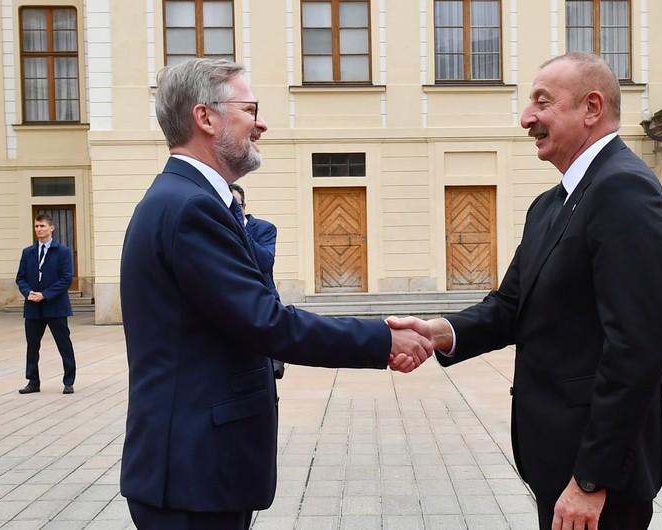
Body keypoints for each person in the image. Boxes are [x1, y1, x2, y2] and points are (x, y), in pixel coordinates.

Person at [119, 58, 431, 529]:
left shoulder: (188, 199)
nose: (261, 123)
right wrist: (384, 339)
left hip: (196, 470)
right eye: (251, 109)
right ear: (205, 118)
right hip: (191, 475)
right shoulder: (190, 208)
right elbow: (266, 322)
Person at [389, 52, 662, 529]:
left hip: (598, 476)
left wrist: (591, 480)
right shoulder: (550, 204)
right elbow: (510, 306)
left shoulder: (625, 190)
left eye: (542, 102)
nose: (527, 118)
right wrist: (438, 331)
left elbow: (636, 351)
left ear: (591, 108)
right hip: (556, 458)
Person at [15, 214, 77, 395]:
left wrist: (45, 295)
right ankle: (33, 381)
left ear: (51, 228)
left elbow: (66, 279)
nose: (39, 229)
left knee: (64, 344)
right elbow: (21, 277)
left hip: (55, 307)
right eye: (36, 226)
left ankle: (68, 381)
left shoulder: (63, 251)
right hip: (33, 307)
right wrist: (29, 293)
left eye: (42, 226)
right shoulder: (28, 252)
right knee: (32, 346)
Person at [229, 182, 285, 378]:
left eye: (234, 206)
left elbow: (265, 263)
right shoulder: (216, 231)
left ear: (243, 207)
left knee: (266, 377)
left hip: (263, 308)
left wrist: (239, 229)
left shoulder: (264, 229)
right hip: (232, 311)